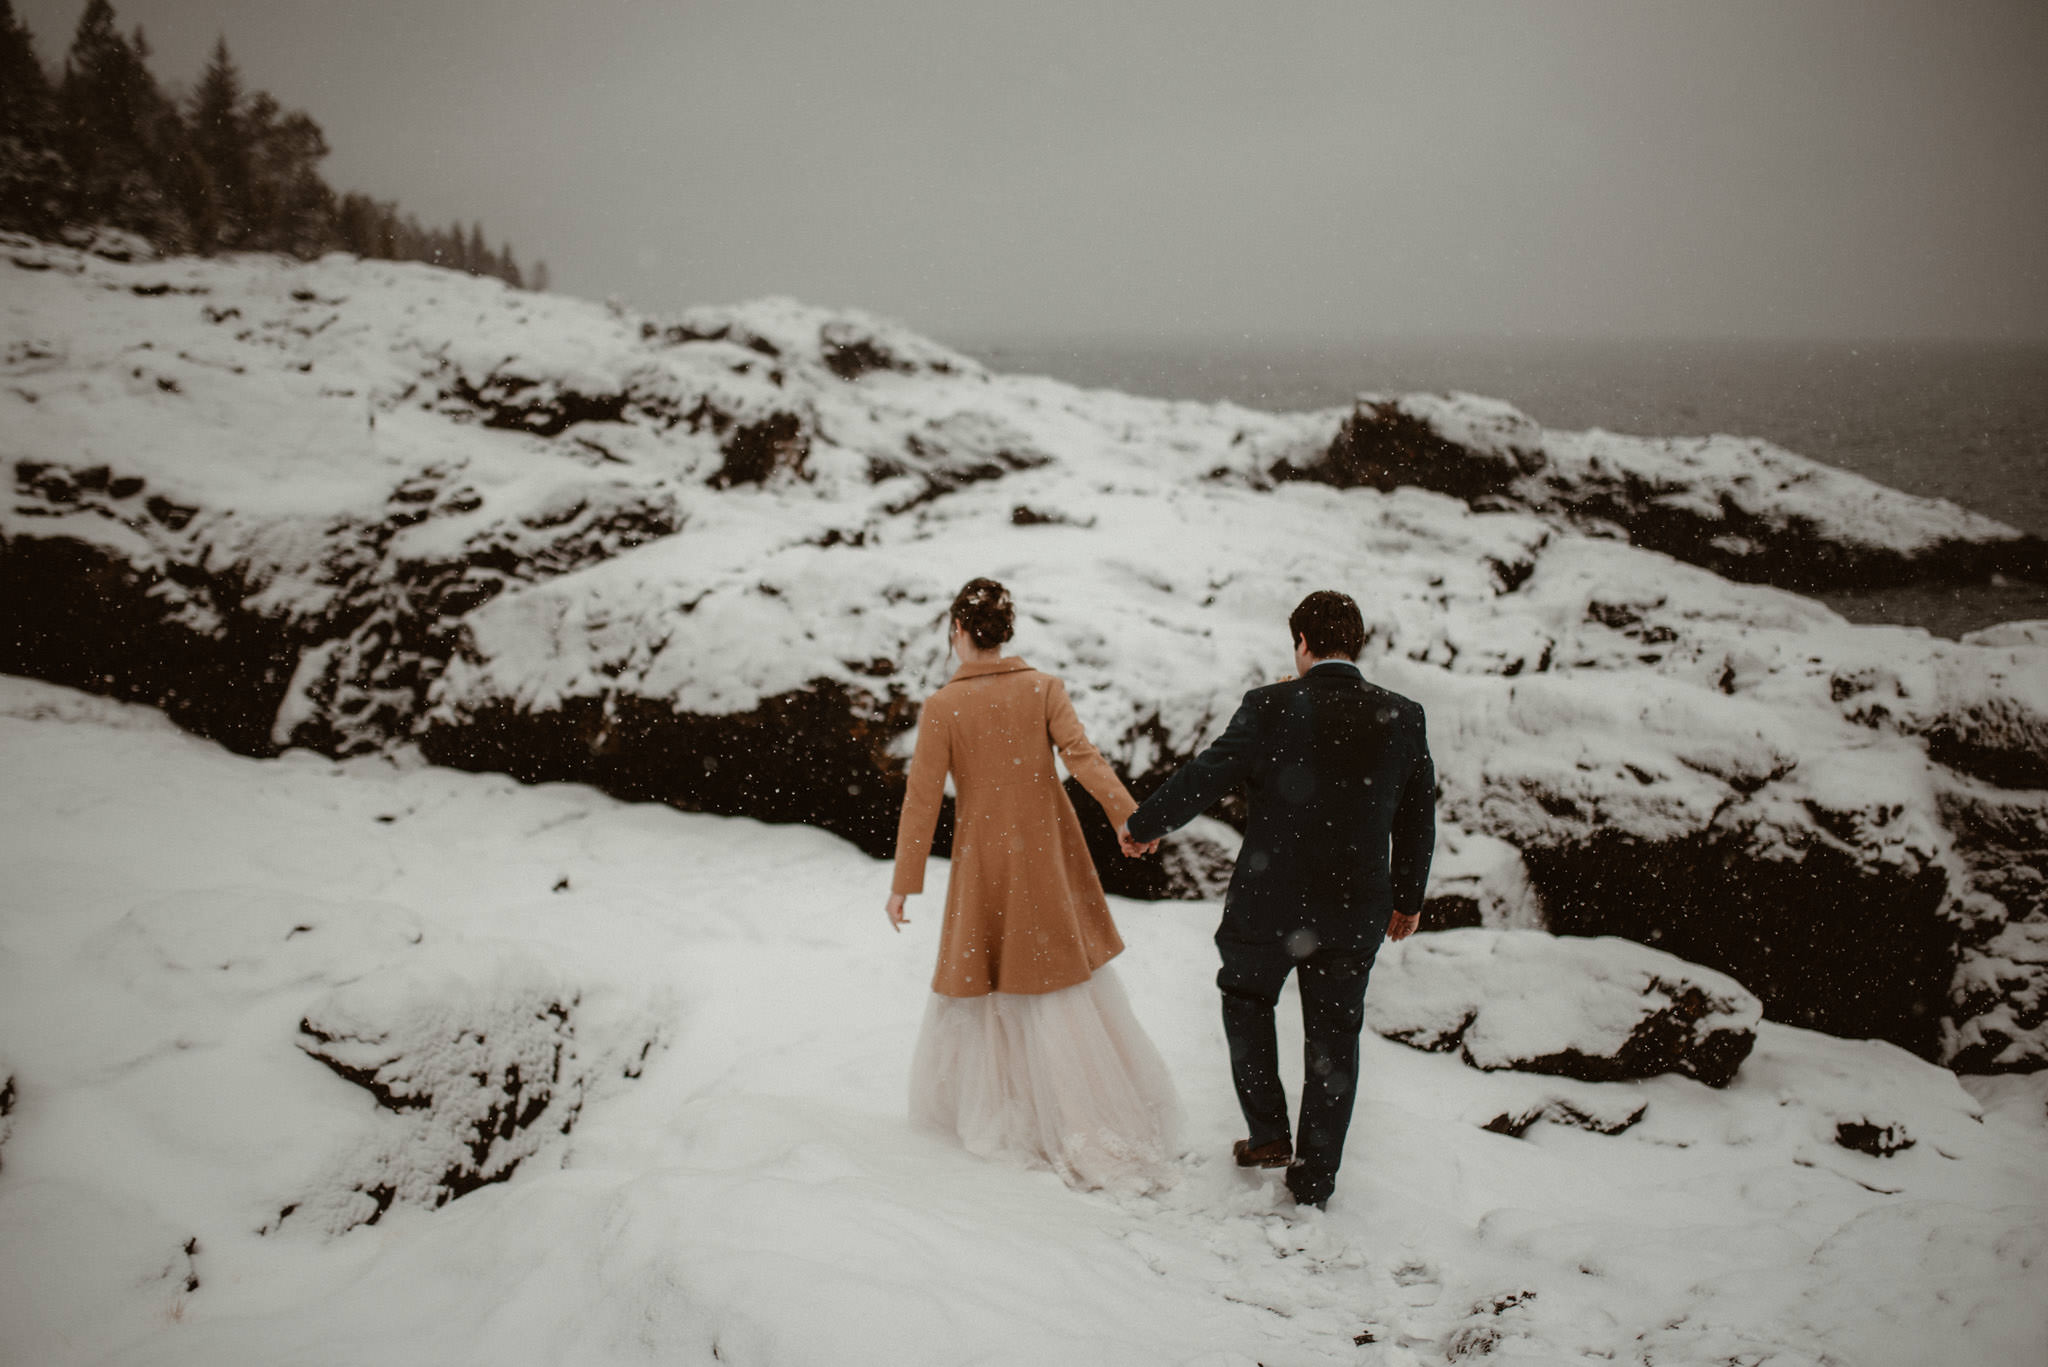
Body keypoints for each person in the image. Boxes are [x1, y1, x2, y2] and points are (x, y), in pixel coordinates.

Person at [1118, 590, 1434, 1209]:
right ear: (1356, 644)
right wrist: (1408, 898)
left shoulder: (1271, 705)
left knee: (1245, 997)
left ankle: (1267, 1134)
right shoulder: (1404, 715)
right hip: (1355, 906)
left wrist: (1145, 824)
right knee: (1335, 1037)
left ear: (1302, 644)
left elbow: (1209, 773)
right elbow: (1417, 816)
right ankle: (1315, 1181)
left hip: (1271, 898)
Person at [886, 577, 1178, 1190]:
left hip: (984, 859)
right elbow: (1084, 758)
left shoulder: (943, 707)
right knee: (1053, 975)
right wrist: (1133, 818)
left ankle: (1010, 1110)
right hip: (1045, 853)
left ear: (958, 633)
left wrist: (904, 883)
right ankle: (1079, 1111)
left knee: (990, 975)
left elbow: (921, 801)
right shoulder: (1042, 688)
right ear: (1006, 631)